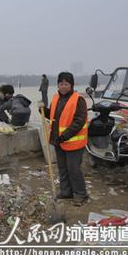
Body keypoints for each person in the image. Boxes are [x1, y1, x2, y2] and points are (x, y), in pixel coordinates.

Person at [41, 72, 88, 206]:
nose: (63, 87)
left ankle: (80, 194)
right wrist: (44, 110)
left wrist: (64, 136)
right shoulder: (56, 98)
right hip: (58, 141)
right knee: (62, 168)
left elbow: (78, 122)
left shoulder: (78, 100)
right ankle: (66, 192)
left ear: (71, 85)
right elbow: (54, 117)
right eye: (61, 84)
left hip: (73, 142)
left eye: (66, 84)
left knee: (73, 168)